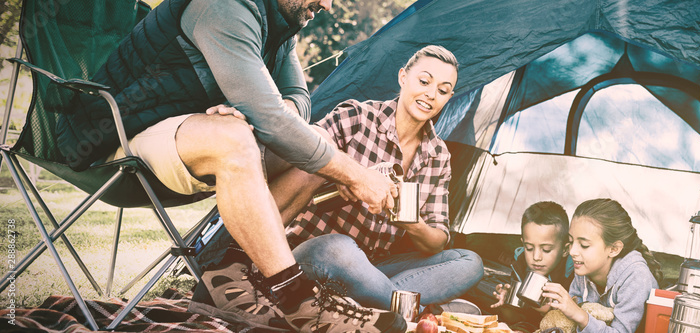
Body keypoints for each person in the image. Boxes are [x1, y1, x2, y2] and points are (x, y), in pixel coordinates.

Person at [61, 0, 406, 332]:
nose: (328, 5)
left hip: (186, 138)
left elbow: (300, 103)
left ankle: (226, 274)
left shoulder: (281, 26)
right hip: (118, 140)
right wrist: (354, 174)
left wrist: (254, 109)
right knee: (236, 136)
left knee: (317, 143)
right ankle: (298, 300)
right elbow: (271, 118)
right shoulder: (223, 6)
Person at [271, 45, 484, 311]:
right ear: (403, 77)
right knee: (341, 247)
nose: (430, 94)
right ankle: (410, 311)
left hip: (373, 267)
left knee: (468, 262)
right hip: (317, 252)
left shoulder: (438, 156)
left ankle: (373, 302)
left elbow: (438, 240)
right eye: (424, 81)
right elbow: (302, 148)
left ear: (449, 97)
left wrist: (411, 221)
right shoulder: (358, 117)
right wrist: (343, 175)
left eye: (442, 90)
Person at [541, 198, 663, 333]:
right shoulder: (583, 268)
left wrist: (580, 315)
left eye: (584, 245)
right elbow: (569, 325)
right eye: (571, 241)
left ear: (614, 249)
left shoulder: (636, 276)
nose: (572, 251)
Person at [490, 201, 574, 331]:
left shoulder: (572, 274)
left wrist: (547, 311)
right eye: (529, 248)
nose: (536, 257)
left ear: (565, 249)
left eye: (546, 249)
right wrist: (506, 303)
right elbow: (515, 319)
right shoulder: (521, 266)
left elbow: (573, 323)